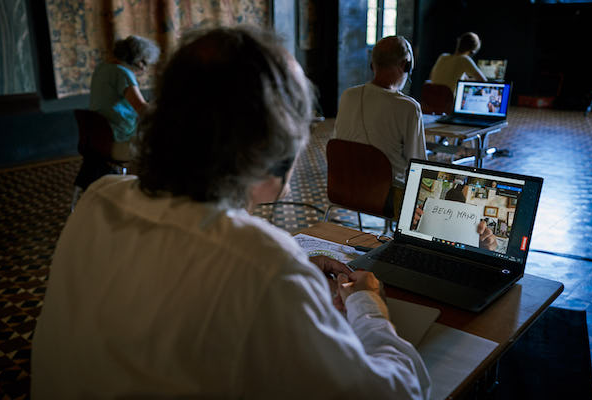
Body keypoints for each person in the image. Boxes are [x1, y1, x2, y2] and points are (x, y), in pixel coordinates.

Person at [32, 26, 431, 399]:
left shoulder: (99, 198)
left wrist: (300, 268)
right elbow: (398, 392)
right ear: (276, 152)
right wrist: (367, 305)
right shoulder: (266, 266)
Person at [334, 36, 427, 217]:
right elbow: (418, 164)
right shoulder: (409, 107)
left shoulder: (347, 96)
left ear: (372, 65)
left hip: (343, 189)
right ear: (405, 65)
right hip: (388, 199)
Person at [72, 35, 160, 192]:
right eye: (144, 63)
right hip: (117, 142)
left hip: (98, 138)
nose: (144, 69)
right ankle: (147, 192)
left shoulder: (102, 68)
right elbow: (142, 109)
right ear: (135, 59)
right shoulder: (123, 73)